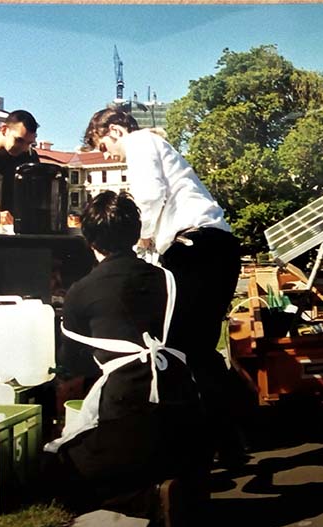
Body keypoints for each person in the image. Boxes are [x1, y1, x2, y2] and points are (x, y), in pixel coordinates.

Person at [43, 191, 210, 527]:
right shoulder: (172, 280)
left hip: (127, 405)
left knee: (59, 469)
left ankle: (148, 500)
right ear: (135, 234)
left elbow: (72, 377)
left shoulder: (81, 291)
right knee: (157, 444)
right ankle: (180, 481)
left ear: (88, 238)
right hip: (186, 414)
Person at [84, 108, 245, 465]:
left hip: (193, 247)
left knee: (180, 346)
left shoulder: (140, 142)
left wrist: (139, 241)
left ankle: (207, 439)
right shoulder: (158, 146)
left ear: (114, 129)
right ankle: (229, 437)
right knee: (199, 347)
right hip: (215, 246)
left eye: (103, 144)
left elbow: (150, 194)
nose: (108, 154)